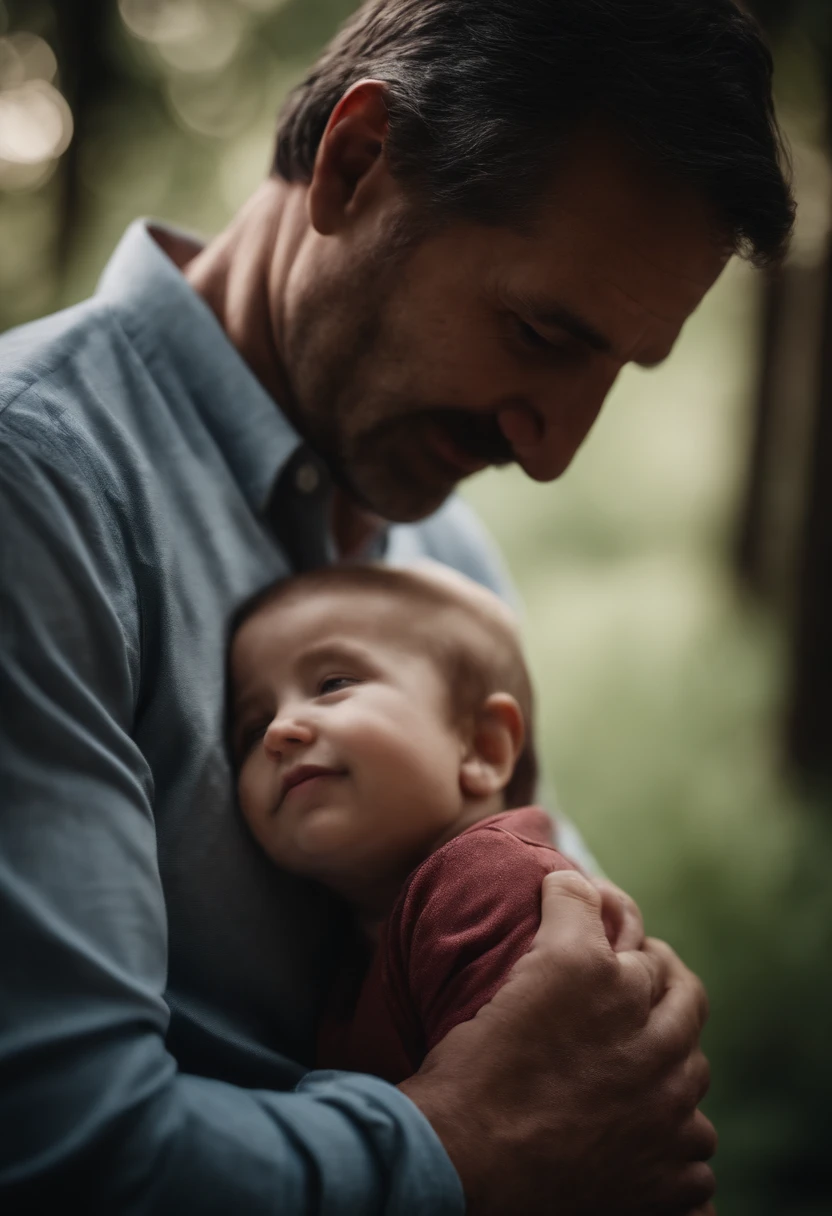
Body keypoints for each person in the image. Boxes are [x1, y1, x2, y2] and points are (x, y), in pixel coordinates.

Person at [0, 1, 793, 1213]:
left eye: (611, 372)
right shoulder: (39, 490)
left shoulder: (444, 552)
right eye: (537, 332)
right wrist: (460, 1149)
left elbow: (571, 1011)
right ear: (357, 164)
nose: (552, 453)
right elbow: (64, 1148)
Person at [229, 561, 631, 1084]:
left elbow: (536, 1120)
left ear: (482, 747)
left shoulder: (489, 882)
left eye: (333, 683)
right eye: (252, 725)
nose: (279, 730)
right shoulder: (368, 936)